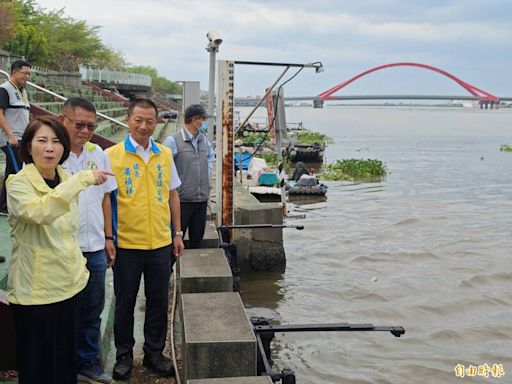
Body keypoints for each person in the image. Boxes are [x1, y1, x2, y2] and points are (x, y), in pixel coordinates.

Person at [5, 115, 112, 384]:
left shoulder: (66, 176)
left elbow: (68, 232)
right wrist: (81, 180)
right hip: (36, 293)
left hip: (70, 286)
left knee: (65, 361)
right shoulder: (17, 184)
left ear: (63, 148)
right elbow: (40, 212)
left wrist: (78, 263)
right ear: (29, 147)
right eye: (41, 141)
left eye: (56, 142)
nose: (50, 148)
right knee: (37, 366)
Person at [106, 98, 184, 380]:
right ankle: (124, 356)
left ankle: (154, 353)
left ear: (156, 123)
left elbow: (173, 194)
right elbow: (106, 199)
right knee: (124, 302)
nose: (143, 126)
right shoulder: (111, 155)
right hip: (127, 244)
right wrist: (108, 237)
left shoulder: (164, 153)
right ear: (128, 119)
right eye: (138, 120)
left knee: (158, 300)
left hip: (161, 243)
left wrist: (177, 233)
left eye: (150, 121)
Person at [59, 97, 117, 384]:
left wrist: (108, 236)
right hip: (62, 247)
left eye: (91, 126)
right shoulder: (53, 154)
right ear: (63, 120)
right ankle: (63, 361)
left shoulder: (98, 153)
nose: (85, 131)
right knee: (63, 310)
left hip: (94, 245)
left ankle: (88, 361)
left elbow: (106, 197)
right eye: (79, 124)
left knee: (93, 308)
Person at [162, 104, 215, 249]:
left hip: (201, 199)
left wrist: (206, 173)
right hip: (181, 201)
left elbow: (211, 157)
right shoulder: (173, 141)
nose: (203, 123)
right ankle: (167, 269)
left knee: (197, 239)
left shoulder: (204, 140)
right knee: (173, 241)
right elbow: (164, 167)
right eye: (202, 119)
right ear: (194, 120)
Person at [0, 60, 31, 215]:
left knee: (12, 171)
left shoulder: (22, 90)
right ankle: (5, 206)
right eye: (24, 73)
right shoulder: (5, 89)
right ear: (14, 72)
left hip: (21, 138)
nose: (27, 77)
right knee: (15, 171)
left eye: (28, 74)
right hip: (11, 139)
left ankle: (5, 205)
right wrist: (10, 135)